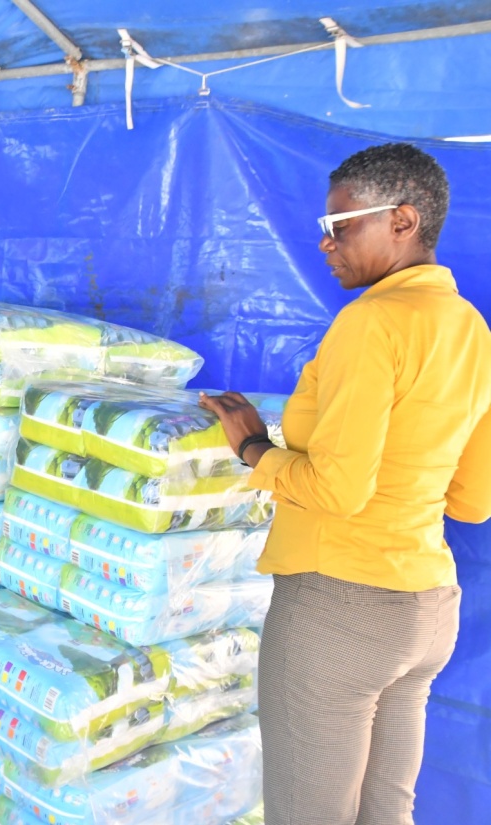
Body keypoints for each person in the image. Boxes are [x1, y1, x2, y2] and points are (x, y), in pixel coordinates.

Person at [200, 142, 491, 825]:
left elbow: (337, 491)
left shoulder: (371, 323)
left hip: (340, 610)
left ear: (404, 221)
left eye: (341, 226)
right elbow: (474, 499)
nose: (325, 244)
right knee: (388, 812)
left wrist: (252, 447)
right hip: (426, 608)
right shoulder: (470, 327)